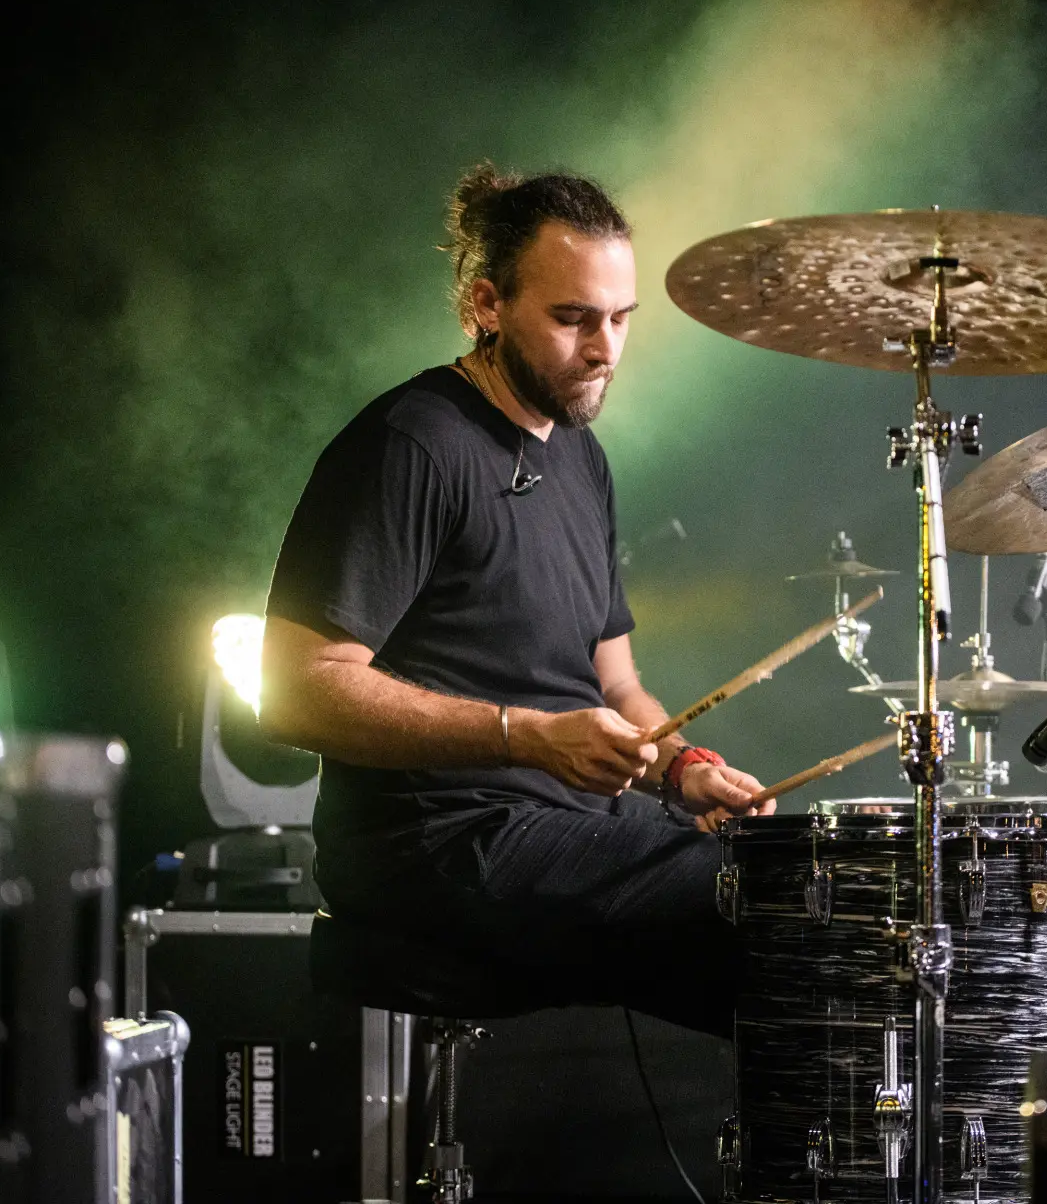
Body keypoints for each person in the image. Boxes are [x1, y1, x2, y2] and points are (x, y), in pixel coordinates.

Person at [258, 166, 774, 1036]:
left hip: (562, 829)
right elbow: (294, 689)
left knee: (820, 919)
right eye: (573, 319)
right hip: (435, 843)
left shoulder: (581, 458)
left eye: (620, 318)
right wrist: (525, 736)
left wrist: (680, 768)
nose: (605, 349)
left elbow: (616, 686)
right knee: (768, 902)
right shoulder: (412, 443)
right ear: (486, 305)